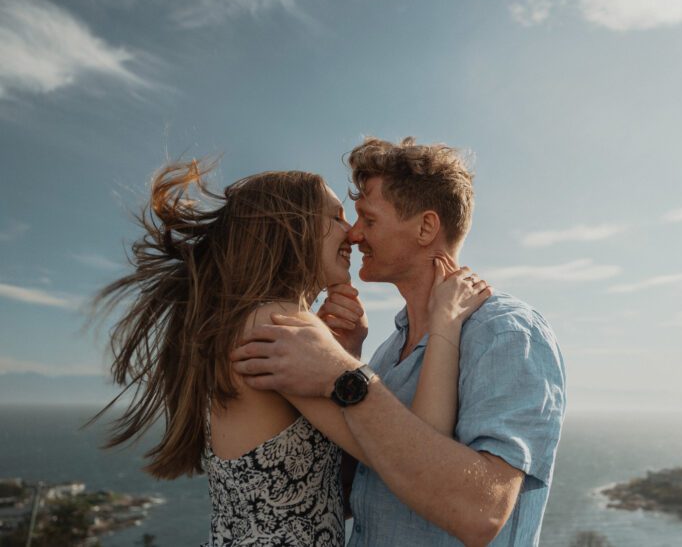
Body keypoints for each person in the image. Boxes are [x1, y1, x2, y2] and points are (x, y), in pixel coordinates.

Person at [92, 160, 491, 546]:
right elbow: (419, 458)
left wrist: (343, 354)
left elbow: (336, 472)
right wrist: (445, 323)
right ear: (292, 229)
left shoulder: (255, 321)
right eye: (336, 218)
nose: (352, 234)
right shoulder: (278, 324)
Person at [231, 137, 567, 546]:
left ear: (426, 227)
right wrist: (343, 358)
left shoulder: (504, 333)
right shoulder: (389, 349)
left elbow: (481, 512)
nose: (354, 235)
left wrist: (342, 374)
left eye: (368, 220)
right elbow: (367, 481)